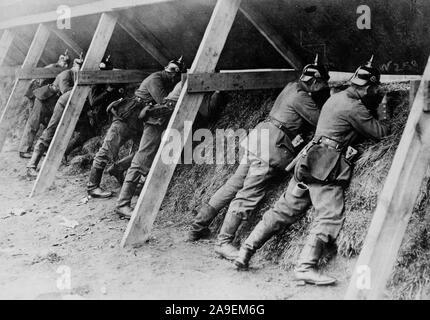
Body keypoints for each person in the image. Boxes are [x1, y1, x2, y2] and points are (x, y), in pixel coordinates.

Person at [234, 56, 392, 286]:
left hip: (307, 160)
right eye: (372, 89)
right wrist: (383, 109)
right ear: (368, 88)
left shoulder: (336, 98)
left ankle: (245, 250)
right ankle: (305, 267)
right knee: (329, 214)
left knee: (284, 209)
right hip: (325, 165)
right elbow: (381, 133)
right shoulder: (355, 107)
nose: (372, 92)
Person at [187, 56, 331, 262]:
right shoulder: (303, 98)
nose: (323, 88)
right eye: (323, 84)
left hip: (259, 137)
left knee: (233, 184)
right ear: (315, 83)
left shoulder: (291, 86)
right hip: (270, 146)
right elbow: (322, 121)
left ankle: (197, 227)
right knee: (248, 194)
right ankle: (223, 242)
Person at [86, 57, 185, 199]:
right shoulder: (155, 78)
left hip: (140, 121)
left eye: (177, 73)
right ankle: (92, 187)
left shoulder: (166, 80)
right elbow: (162, 101)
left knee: (141, 152)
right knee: (108, 149)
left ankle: (118, 168)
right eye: (172, 72)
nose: (174, 75)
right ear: (167, 70)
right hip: (127, 118)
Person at [25, 55, 84, 176]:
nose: (79, 70)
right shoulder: (66, 74)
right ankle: (31, 165)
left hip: (59, 103)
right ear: (74, 66)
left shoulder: (77, 76)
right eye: (78, 67)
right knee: (46, 128)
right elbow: (65, 91)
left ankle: (57, 155)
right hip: (47, 100)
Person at [65, 56, 125, 158]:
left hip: (102, 114)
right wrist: (107, 92)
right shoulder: (95, 83)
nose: (107, 74)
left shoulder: (107, 81)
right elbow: (93, 102)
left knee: (91, 135)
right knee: (84, 135)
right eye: (105, 71)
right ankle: (64, 153)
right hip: (90, 115)